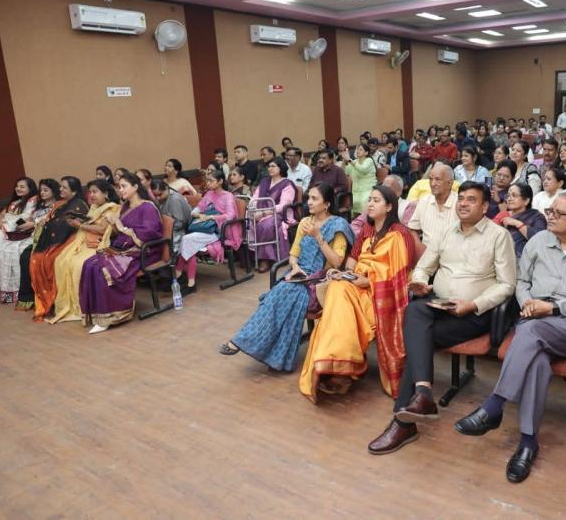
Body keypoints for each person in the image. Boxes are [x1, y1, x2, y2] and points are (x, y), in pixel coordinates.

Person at [454, 193, 566, 483]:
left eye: (558, 213)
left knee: (530, 331)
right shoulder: (538, 241)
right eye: (550, 210)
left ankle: (494, 405)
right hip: (535, 319)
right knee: (537, 360)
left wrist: (552, 307)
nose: (550, 216)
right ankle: (528, 442)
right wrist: (528, 303)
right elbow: (522, 281)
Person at [367, 182, 517, 455]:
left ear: (485, 207)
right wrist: (420, 282)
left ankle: (403, 421)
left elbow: (507, 284)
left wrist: (473, 304)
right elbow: (423, 268)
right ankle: (423, 394)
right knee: (415, 310)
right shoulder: (446, 232)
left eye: (472, 200)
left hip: (474, 314)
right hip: (439, 305)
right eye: (462, 199)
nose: (464, 204)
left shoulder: (499, 236)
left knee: (419, 340)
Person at [298, 185, 416, 402]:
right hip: (356, 288)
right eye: (369, 199)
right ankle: (340, 366)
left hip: (381, 295)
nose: (370, 203)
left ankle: (340, 369)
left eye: (376, 200)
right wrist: (344, 273)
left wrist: (369, 281)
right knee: (338, 287)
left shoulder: (401, 234)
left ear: (389, 207)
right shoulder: (366, 232)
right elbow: (351, 262)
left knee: (338, 301)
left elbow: (401, 278)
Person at [220, 183, 355, 368]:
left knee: (279, 294)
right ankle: (251, 343)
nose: (309, 202)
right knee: (276, 296)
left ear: (327, 204)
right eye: (308, 198)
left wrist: (318, 237)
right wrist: (295, 267)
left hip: (321, 279)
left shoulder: (338, 225)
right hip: (299, 275)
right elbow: (293, 255)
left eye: (314, 199)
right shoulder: (305, 222)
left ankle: (246, 342)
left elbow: (338, 262)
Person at [79, 173, 163, 334]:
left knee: (103, 269)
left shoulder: (148, 207)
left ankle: (111, 316)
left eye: (124, 186)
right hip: (124, 248)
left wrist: (121, 226)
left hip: (143, 252)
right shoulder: (125, 206)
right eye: (119, 186)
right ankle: (97, 312)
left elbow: (148, 233)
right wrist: (112, 223)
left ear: (136, 187)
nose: (120, 190)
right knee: (89, 264)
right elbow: (120, 231)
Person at [47, 179, 121, 324]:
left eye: (95, 192)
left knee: (78, 265)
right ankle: (69, 304)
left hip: (99, 245)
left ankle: (83, 307)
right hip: (84, 242)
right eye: (90, 192)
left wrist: (80, 225)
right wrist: (79, 222)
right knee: (61, 260)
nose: (91, 195)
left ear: (105, 193)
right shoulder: (94, 207)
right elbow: (89, 223)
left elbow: (103, 230)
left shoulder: (112, 208)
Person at [28, 176, 89, 322]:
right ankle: (43, 301)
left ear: (74, 191)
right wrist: (45, 222)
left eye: (64, 187)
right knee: (32, 258)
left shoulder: (78, 204)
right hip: (51, 239)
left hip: (69, 239)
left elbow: (67, 225)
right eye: (60, 186)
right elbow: (52, 220)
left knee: (46, 259)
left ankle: (51, 301)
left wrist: (47, 225)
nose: (60, 189)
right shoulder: (59, 203)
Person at [175, 170, 242, 295]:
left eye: (211, 180)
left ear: (220, 181)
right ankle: (189, 282)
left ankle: (178, 275)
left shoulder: (228, 196)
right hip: (206, 228)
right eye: (207, 180)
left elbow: (230, 215)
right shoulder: (209, 194)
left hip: (219, 230)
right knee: (189, 243)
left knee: (187, 240)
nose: (208, 183)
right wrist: (196, 213)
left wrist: (211, 217)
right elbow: (199, 207)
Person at [0, 179, 48, 304]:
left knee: (16, 250)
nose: (18, 189)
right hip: (18, 231)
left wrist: (13, 222)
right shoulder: (16, 202)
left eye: (22, 186)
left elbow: (26, 220)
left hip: (31, 233)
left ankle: (21, 291)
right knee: (3, 249)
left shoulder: (34, 201)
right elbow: (10, 218)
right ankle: (9, 292)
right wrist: (11, 221)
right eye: (17, 186)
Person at [15, 180, 61, 310]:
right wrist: (19, 222)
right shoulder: (39, 205)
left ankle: (38, 297)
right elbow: (24, 221)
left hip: (48, 239)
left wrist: (30, 224)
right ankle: (26, 296)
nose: (42, 193)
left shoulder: (56, 206)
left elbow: (36, 223)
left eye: (46, 190)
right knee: (21, 256)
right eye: (41, 190)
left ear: (54, 191)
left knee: (27, 257)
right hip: (34, 238)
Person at [249, 158, 297, 273]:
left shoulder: (287, 184)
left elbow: (284, 205)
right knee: (248, 222)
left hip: (280, 213)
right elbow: (255, 198)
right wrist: (253, 210)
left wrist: (264, 212)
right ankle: (255, 256)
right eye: (269, 166)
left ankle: (265, 259)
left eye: (273, 166)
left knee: (265, 225)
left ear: (281, 168)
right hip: (260, 213)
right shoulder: (264, 182)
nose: (270, 168)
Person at [408, 163, 458, 247]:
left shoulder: (460, 203)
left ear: (449, 183)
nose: (432, 184)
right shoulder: (424, 201)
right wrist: (418, 246)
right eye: (430, 179)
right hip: (426, 252)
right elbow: (413, 229)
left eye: (438, 179)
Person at [149, 179, 193, 255]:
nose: (158, 198)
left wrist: (164, 229)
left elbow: (179, 223)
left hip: (180, 230)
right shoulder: (164, 197)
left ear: (166, 188)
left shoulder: (174, 199)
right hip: (170, 228)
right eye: (155, 196)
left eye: (160, 194)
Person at [346, 144, 378, 216]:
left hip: (368, 189)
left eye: (360, 149)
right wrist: (344, 161)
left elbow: (362, 169)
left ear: (366, 153)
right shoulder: (355, 161)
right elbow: (345, 171)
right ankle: (354, 221)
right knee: (352, 201)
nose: (358, 151)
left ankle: (366, 220)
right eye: (357, 149)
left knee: (363, 201)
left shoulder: (369, 160)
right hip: (356, 190)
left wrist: (350, 160)